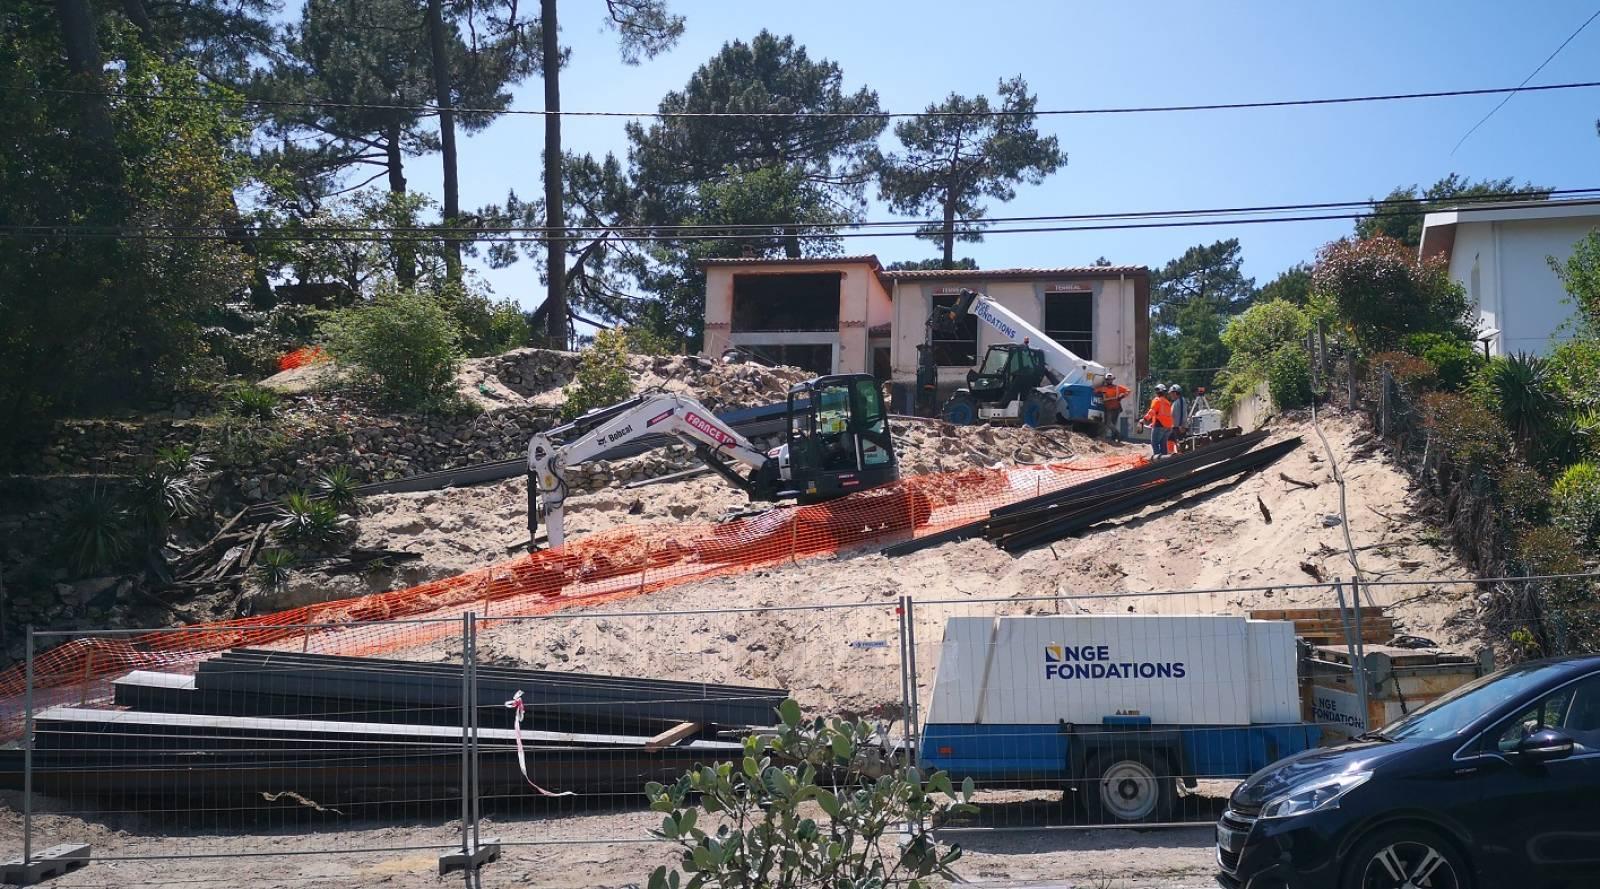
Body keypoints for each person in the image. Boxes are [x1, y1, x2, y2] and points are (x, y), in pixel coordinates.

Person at [1138, 384, 1173, 458]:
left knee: (1155, 443)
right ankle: (1165, 460)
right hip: (1168, 427)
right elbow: (1162, 415)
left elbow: (1152, 412)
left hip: (1159, 426)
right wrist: (1153, 423)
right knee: (1163, 444)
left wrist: (1144, 419)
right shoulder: (1167, 402)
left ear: (1157, 392)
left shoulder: (1157, 400)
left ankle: (1158, 461)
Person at [1095, 374, 1131, 441]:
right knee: (1108, 423)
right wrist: (1098, 394)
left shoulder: (1117, 387)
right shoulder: (1102, 388)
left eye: (1110, 379)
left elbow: (1128, 390)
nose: (1109, 380)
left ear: (1112, 380)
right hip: (1108, 408)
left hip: (1116, 408)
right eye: (1108, 379)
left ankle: (1113, 439)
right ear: (1106, 380)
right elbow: (1094, 391)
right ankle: (1119, 435)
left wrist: (1122, 396)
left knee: (1113, 423)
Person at [1166, 384, 1187, 454]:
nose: (1170, 395)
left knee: (1180, 442)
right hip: (1175, 426)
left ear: (1175, 393)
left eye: (1171, 393)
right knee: (1169, 439)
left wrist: (1181, 425)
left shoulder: (1181, 400)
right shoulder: (1176, 401)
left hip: (1179, 427)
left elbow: (1182, 413)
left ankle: (1181, 455)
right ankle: (1172, 454)